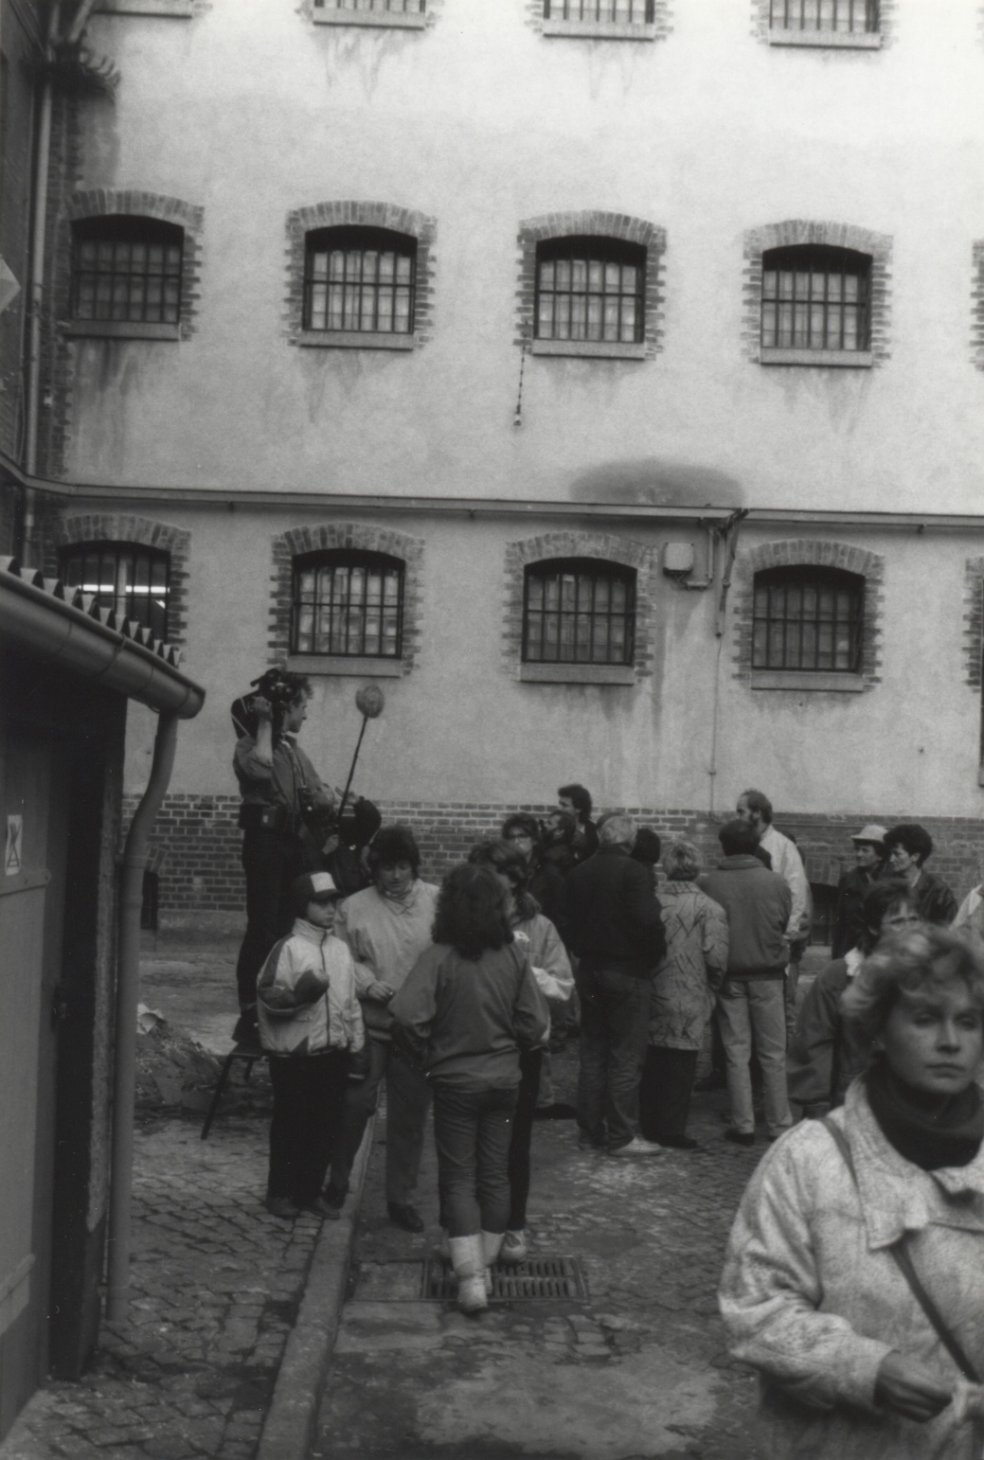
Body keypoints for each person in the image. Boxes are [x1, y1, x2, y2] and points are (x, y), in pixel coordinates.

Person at [719, 924, 984, 1459]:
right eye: (926, 1019)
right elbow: (756, 1307)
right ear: (879, 1031)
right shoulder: (811, 1159)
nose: (951, 1042)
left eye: (970, 1022)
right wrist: (863, 1366)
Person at [390, 864, 550, 1314]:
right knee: (495, 1174)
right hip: (504, 1082)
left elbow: (405, 1015)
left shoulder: (438, 957)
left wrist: (426, 1051)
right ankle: (487, 1264)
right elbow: (536, 1024)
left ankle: (470, 1280)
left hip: (455, 1084)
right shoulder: (516, 957)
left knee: (459, 1178)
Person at [327, 825, 439, 1231]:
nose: (394, 876)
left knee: (409, 1118)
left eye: (402, 867)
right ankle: (337, 1182)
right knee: (353, 1105)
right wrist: (366, 982)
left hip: (416, 1031)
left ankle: (401, 1198)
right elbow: (339, 954)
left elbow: (445, 957)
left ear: (414, 867)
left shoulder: (436, 902)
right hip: (369, 1026)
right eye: (386, 868)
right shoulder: (353, 907)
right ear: (373, 869)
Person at [468, 840, 573, 1261]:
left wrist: (518, 971)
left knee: (514, 1144)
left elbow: (563, 986)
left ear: (512, 880)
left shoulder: (540, 927)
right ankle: (466, 1227)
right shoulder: (468, 922)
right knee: (470, 1142)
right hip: (476, 1044)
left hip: (523, 1048)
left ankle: (513, 1227)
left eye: (491, 876)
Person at [233, 671, 336, 1042]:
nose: (305, 714)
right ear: (285, 708)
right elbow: (259, 768)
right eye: (302, 706)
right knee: (261, 925)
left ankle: (283, 991)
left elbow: (320, 792)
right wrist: (263, 722)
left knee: (289, 921)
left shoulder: (293, 751)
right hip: (264, 841)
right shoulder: (249, 744)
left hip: (293, 842)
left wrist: (324, 800)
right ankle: (249, 1008)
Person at [256, 871, 364, 1221]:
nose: (332, 909)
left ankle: (308, 1191)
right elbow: (267, 998)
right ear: (302, 906)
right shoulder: (287, 947)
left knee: (324, 1125)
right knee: (291, 1124)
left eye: (334, 902)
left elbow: (350, 1002)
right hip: (294, 1055)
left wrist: (355, 1042)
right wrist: (300, 997)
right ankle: (280, 1191)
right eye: (322, 903)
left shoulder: (340, 950)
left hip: (331, 1051)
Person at [565, 812, 667, 1156]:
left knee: (593, 1052)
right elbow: (649, 921)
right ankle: (622, 1135)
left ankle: (588, 1131)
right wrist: (652, 955)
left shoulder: (580, 872)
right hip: (626, 971)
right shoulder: (634, 872)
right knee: (625, 1054)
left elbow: (566, 920)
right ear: (631, 840)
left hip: (590, 968)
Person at [788, 880, 921, 1117]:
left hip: (912, 1109)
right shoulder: (838, 976)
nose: (910, 930)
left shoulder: (931, 977)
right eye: (898, 922)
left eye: (914, 920)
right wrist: (817, 1110)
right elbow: (814, 1046)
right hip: (854, 1106)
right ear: (873, 927)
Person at [700, 819, 792, 1145]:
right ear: (756, 846)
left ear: (723, 847)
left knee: (736, 1052)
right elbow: (783, 920)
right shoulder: (776, 882)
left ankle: (744, 1124)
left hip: (729, 975)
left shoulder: (709, 883)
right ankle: (780, 1122)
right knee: (773, 1053)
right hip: (767, 974)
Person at [639, 840, 728, 1150]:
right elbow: (716, 957)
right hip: (690, 987)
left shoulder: (653, 901)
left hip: (654, 987)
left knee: (653, 1056)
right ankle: (671, 1128)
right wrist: (712, 985)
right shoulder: (710, 909)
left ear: (667, 866)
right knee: (682, 1062)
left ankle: (648, 1121)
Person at [736, 789, 811, 1038]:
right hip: (746, 943)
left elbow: (797, 895)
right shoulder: (741, 843)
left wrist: (786, 937)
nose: (737, 817)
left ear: (757, 813)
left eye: (741, 812)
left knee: (776, 1016)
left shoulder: (783, 847)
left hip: (773, 944)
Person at [500, 812, 567, 935]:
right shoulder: (500, 871)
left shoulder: (548, 873)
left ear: (534, 840)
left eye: (522, 836)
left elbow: (560, 915)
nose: (516, 841)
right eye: (511, 837)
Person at [831, 824, 889, 960]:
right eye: (857, 850)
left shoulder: (891, 881)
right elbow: (840, 922)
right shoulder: (848, 880)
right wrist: (837, 957)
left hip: (882, 951)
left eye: (865, 850)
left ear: (880, 855)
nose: (859, 854)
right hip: (852, 949)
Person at [884, 823, 958, 926]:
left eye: (897, 854)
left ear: (915, 856)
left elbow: (949, 932)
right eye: (891, 854)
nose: (891, 859)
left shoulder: (938, 891)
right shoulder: (884, 885)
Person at [557, 783, 599, 865]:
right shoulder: (553, 828)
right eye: (559, 804)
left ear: (579, 808)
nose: (559, 808)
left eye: (564, 805)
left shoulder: (594, 831)